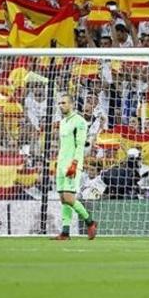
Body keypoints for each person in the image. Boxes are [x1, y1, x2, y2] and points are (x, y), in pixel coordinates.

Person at [53, 94, 97, 240]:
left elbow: (80, 145)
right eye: (59, 103)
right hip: (61, 164)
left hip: (72, 164)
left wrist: (75, 163)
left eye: (64, 103)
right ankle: (65, 232)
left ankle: (90, 222)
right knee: (62, 198)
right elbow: (63, 145)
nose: (61, 105)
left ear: (72, 104)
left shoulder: (80, 122)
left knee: (69, 197)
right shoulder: (63, 122)